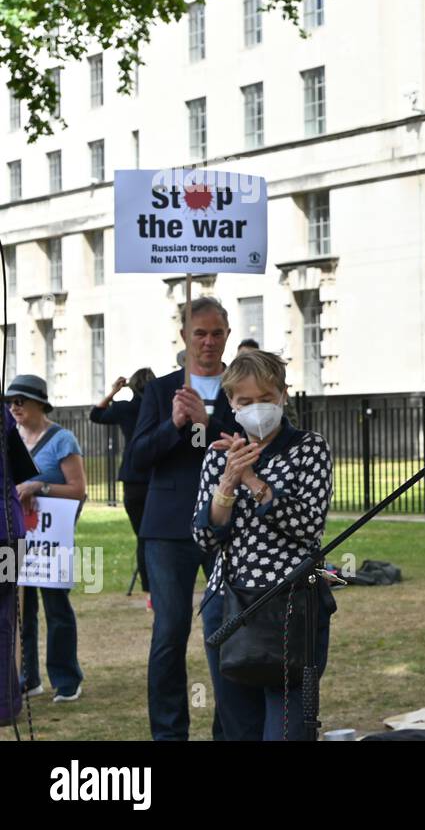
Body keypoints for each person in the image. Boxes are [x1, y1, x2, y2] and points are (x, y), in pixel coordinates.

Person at [194, 350, 335, 741]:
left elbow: (307, 526)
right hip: (228, 605)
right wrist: (226, 485)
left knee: (287, 730)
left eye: (266, 398)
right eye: (245, 401)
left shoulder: (310, 448)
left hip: (290, 606)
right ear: (231, 405)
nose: (257, 409)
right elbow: (204, 536)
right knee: (240, 728)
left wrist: (254, 482)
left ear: (283, 395)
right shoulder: (219, 457)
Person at [129, 296, 239, 740]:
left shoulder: (242, 386)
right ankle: (169, 733)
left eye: (216, 332)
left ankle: (231, 729)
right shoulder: (161, 391)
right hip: (169, 528)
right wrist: (173, 423)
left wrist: (208, 424)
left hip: (226, 524)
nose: (208, 341)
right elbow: (137, 459)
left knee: (230, 630)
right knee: (170, 633)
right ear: (184, 337)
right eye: (200, 333)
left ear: (228, 335)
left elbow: (255, 446)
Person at [5, 375, 87, 702]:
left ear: (40, 403)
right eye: (10, 401)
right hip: (16, 537)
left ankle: (66, 679)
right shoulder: (9, 438)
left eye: (21, 400)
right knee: (21, 609)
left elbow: (79, 490)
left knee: (56, 609)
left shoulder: (62, 440)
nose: (14, 406)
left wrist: (40, 486)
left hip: (51, 538)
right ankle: (28, 677)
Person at [90, 368, 156, 596]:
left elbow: (95, 415)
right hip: (155, 475)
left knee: (142, 536)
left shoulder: (125, 408)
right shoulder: (161, 409)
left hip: (132, 477)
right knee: (157, 535)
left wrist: (112, 393)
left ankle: (149, 590)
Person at [1, 407, 39, 726]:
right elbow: (21, 469)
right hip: (10, 532)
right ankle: (5, 703)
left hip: (8, 533)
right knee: (4, 618)